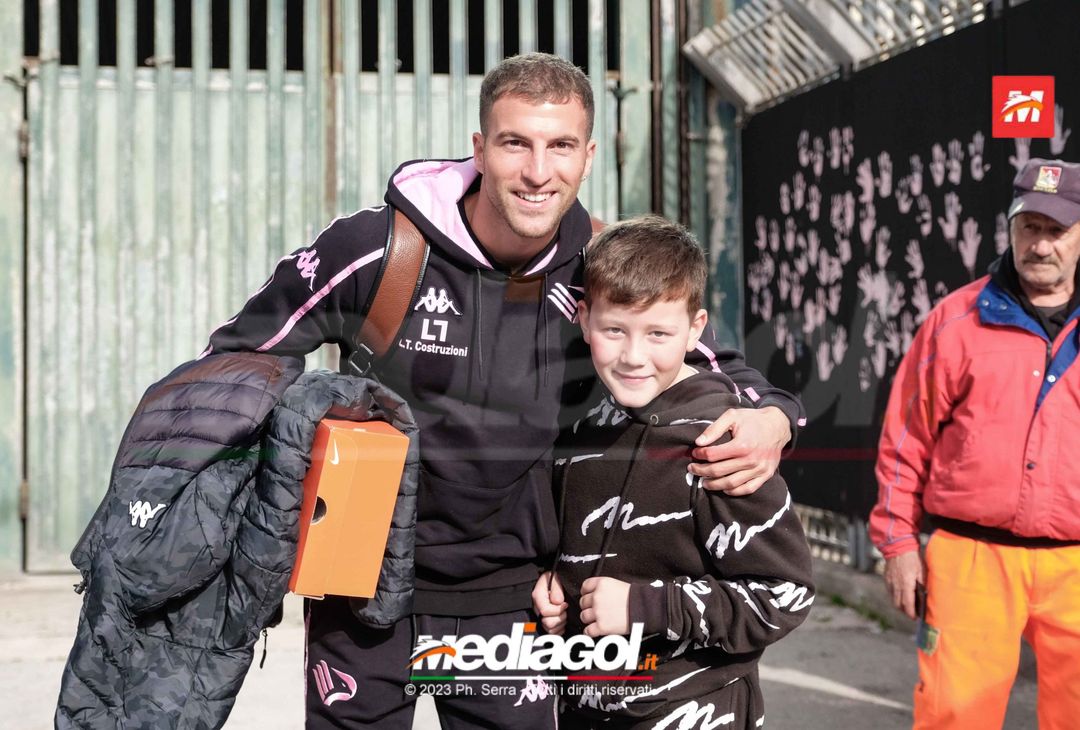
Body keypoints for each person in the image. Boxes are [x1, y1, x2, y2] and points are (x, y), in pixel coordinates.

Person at [203, 53, 804, 728]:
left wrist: (774, 417)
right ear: (481, 149)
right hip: (359, 589)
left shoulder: (600, 271)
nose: (539, 171)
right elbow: (237, 359)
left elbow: (715, 363)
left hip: (510, 601)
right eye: (516, 143)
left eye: (561, 146)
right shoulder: (379, 250)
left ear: (589, 154)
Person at [531, 216, 814, 729]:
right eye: (614, 330)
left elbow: (784, 594)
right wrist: (557, 588)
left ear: (696, 329)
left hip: (697, 711)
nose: (634, 357)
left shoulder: (722, 444)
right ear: (583, 318)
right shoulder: (578, 432)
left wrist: (649, 607)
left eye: (658, 333)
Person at [869, 158, 1080, 729]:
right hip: (970, 559)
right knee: (954, 717)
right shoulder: (955, 322)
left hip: (1076, 564)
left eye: (1056, 230)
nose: (1040, 245)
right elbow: (904, 441)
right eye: (1028, 227)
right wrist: (897, 545)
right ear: (1010, 228)